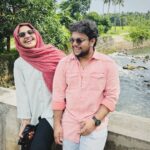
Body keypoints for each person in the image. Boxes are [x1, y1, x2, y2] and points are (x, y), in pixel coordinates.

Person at [52, 19, 120, 150]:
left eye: (79, 40)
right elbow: (58, 96)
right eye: (72, 40)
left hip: (94, 130)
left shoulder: (108, 64)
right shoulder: (64, 64)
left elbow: (111, 97)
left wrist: (94, 121)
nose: (74, 44)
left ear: (92, 41)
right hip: (69, 127)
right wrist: (57, 125)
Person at [13, 23, 64, 150]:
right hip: (34, 113)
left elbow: (72, 75)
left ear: (36, 34)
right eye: (22, 34)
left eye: (30, 32)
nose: (27, 36)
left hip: (52, 112)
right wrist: (25, 120)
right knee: (25, 147)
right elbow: (22, 93)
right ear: (18, 40)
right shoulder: (19, 63)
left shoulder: (53, 54)